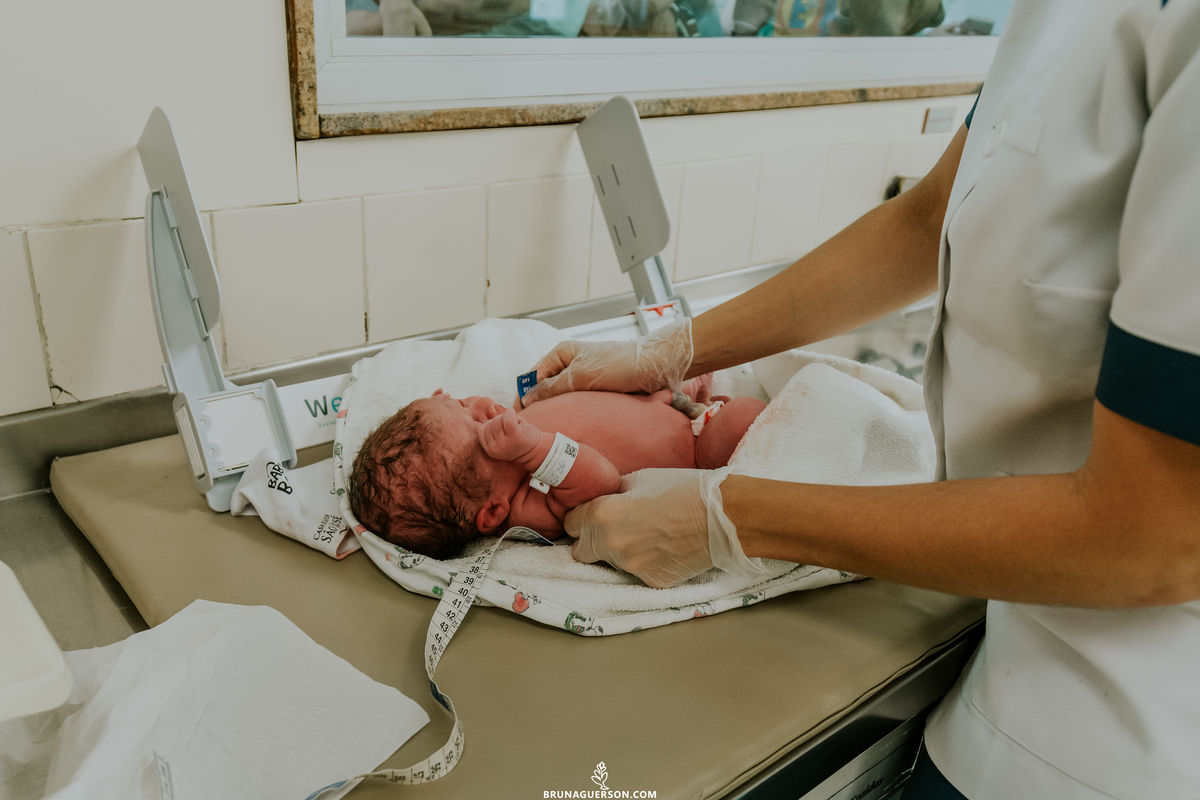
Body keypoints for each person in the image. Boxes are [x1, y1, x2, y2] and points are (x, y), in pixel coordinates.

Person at [516, 1, 1200, 797]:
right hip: (1009, 672)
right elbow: (926, 221)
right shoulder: (1060, 16)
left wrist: (729, 517)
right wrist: (669, 350)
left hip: (1133, 741)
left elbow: (1155, 534)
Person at [349, 383, 765, 558]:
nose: (479, 407)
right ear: (492, 512)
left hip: (663, 406)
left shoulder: (508, 445)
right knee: (747, 415)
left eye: (460, 404)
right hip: (696, 449)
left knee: (669, 379)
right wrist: (533, 446)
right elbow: (603, 482)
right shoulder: (527, 508)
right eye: (478, 428)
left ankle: (686, 391)